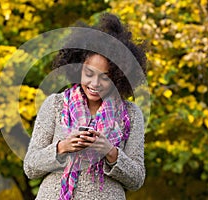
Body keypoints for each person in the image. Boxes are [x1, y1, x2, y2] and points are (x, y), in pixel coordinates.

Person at [24, 13, 147, 200]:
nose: (95, 83)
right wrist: (63, 147)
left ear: (118, 78)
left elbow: (136, 179)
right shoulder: (55, 104)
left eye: (105, 77)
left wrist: (110, 151)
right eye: (89, 73)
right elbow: (31, 167)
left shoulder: (130, 114)